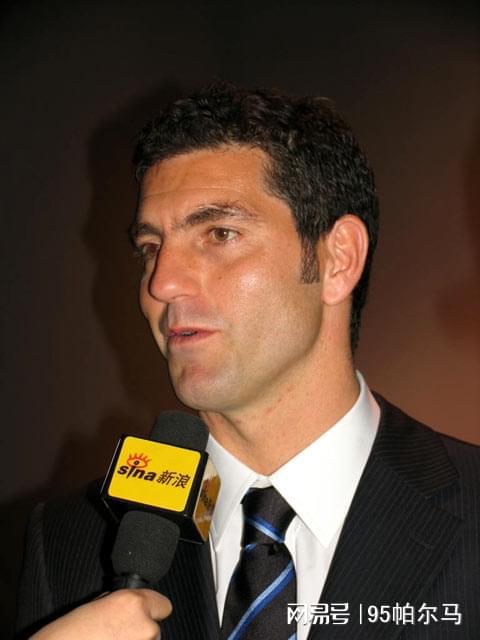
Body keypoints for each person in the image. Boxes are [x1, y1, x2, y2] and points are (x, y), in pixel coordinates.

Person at [17, 83, 480, 639]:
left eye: (219, 234)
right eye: (150, 248)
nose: (162, 283)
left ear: (337, 260)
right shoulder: (70, 541)